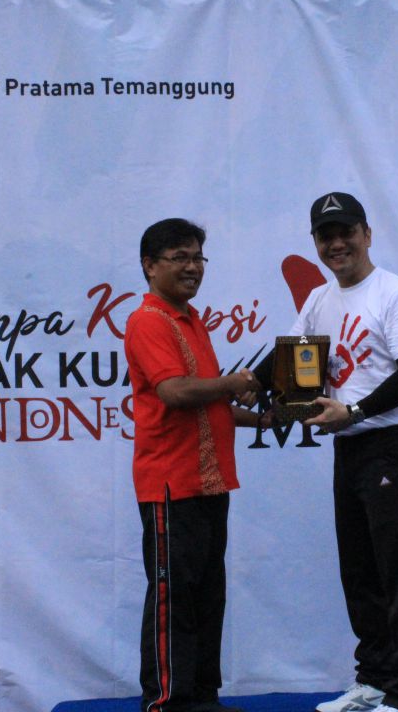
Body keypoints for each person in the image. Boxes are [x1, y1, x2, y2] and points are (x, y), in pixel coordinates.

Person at [266, 192, 398, 712]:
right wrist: (247, 384)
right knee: (360, 571)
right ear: (315, 243)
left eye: (346, 232)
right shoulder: (320, 299)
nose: (336, 244)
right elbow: (289, 362)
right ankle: (375, 681)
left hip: (389, 445)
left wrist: (355, 411)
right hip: (350, 446)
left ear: (367, 234)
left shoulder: (395, 292)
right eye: (326, 236)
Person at [124, 218, 260, 712]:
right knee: (173, 598)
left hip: (209, 482)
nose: (193, 267)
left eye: (198, 257)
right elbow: (175, 392)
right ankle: (166, 701)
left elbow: (209, 403)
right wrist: (235, 383)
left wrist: (266, 418)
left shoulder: (191, 320)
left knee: (206, 596)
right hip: (170, 484)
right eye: (179, 257)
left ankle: (202, 697)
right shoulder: (148, 321)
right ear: (149, 266)